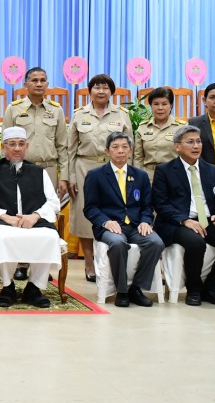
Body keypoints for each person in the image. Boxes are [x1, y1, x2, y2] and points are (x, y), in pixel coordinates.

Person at [0, 127, 62, 308]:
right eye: (12, 144)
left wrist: (35, 216)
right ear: (3, 148)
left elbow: (53, 202)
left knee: (50, 237)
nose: (17, 148)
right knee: (4, 237)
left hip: (34, 222)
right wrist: (5, 217)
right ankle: (7, 286)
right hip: (2, 222)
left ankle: (34, 287)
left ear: (27, 147)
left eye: (21, 144)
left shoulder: (39, 172)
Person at [2, 67, 68, 281]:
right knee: (21, 213)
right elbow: (5, 143)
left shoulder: (56, 110)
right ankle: (20, 263)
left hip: (48, 169)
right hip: (21, 168)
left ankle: (41, 264)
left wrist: (64, 176)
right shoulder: (14, 109)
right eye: (34, 80)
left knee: (45, 215)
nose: (39, 84)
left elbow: (63, 146)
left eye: (43, 80)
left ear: (47, 84)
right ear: (26, 84)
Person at [83, 131, 163, 307]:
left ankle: (136, 288)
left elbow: (147, 206)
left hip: (135, 225)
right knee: (118, 243)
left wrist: (145, 221)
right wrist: (105, 222)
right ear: (107, 151)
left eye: (124, 147)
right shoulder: (95, 175)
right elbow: (90, 208)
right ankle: (122, 290)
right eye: (115, 147)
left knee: (155, 242)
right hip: (110, 226)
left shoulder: (140, 176)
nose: (120, 151)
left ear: (130, 150)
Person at [68, 74, 132, 282]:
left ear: (111, 91)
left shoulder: (122, 115)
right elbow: (70, 149)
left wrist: (130, 175)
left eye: (105, 87)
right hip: (84, 168)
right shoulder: (79, 115)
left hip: (114, 168)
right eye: (97, 87)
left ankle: (111, 262)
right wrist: (70, 176)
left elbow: (130, 147)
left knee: (114, 213)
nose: (101, 91)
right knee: (85, 217)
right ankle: (89, 263)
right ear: (90, 91)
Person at [152, 125, 215, 306]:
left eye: (198, 141)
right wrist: (184, 220)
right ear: (177, 146)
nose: (196, 146)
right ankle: (194, 289)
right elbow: (160, 204)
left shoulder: (212, 170)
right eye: (190, 142)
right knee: (196, 242)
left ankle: (210, 287)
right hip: (177, 223)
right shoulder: (164, 170)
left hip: (207, 220)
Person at [133, 87, 185, 181]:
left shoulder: (181, 128)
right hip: (148, 177)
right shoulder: (143, 128)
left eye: (164, 104)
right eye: (156, 104)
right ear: (151, 106)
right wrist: (138, 178)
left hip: (173, 176)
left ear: (171, 105)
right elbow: (138, 158)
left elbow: (186, 155)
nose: (160, 108)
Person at [188, 82, 215, 165]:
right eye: (212, 97)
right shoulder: (195, 123)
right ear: (204, 100)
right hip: (205, 172)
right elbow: (191, 150)